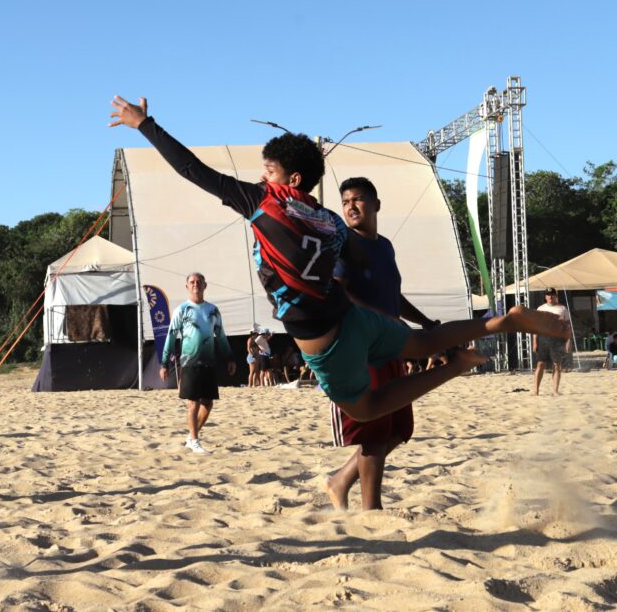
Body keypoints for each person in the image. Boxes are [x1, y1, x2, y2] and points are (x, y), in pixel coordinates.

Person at [109, 96, 568, 422]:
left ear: (290, 177)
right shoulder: (330, 219)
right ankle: (502, 322)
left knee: (365, 408)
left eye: (268, 170)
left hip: (320, 337)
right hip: (350, 317)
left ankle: (459, 366)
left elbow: (191, 168)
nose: (260, 176)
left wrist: (144, 125)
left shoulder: (262, 202)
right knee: (419, 344)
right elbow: (364, 258)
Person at [325, 177, 438, 511]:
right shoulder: (344, 245)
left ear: (376, 204)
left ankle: (341, 480)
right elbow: (338, 292)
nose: (350, 206)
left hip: (390, 343)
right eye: (345, 201)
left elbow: (392, 295)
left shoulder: (385, 245)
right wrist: (379, 318)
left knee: (399, 429)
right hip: (360, 346)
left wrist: (424, 321)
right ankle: (371, 510)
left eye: (358, 199)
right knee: (374, 431)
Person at [159, 273, 236, 454]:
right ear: (187, 286)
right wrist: (164, 363)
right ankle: (194, 441)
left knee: (208, 404)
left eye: (199, 282)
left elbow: (221, 336)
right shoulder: (182, 310)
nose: (196, 285)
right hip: (189, 361)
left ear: (205, 286)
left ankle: (191, 437)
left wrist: (230, 358)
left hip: (208, 362)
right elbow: (171, 337)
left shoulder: (213, 310)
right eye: (192, 282)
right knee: (192, 403)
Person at [532, 287, 573, 395]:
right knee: (540, 364)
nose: (550, 297)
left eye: (552, 294)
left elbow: (568, 326)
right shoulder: (540, 309)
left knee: (557, 365)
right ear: (545, 297)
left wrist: (568, 341)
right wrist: (535, 342)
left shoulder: (562, 309)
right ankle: (535, 390)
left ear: (556, 296)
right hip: (543, 338)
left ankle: (555, 390)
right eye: (548, 295)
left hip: (557, 339)